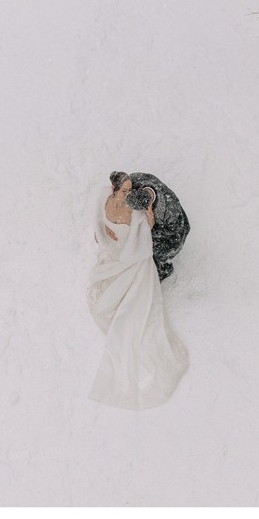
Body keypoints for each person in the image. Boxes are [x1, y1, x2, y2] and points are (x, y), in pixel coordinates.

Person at [87, 172, 189, 409]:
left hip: (141, 239)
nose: (129, 191)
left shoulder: (123, 200)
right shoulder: (135, 213)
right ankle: (161, 267)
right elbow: (138, 247)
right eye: (126, 189)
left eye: (130, 189)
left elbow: (102, 232)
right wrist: (147, 224)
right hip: (135, 253)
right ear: (116, 189)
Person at [119, 170, 190, 281]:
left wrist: (151, 225)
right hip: (160, 217)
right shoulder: (136, 179)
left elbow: (171, 231)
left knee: (153, 250)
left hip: (174, 233)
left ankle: (164, 269)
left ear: (148, 205)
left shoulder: (169, 210)